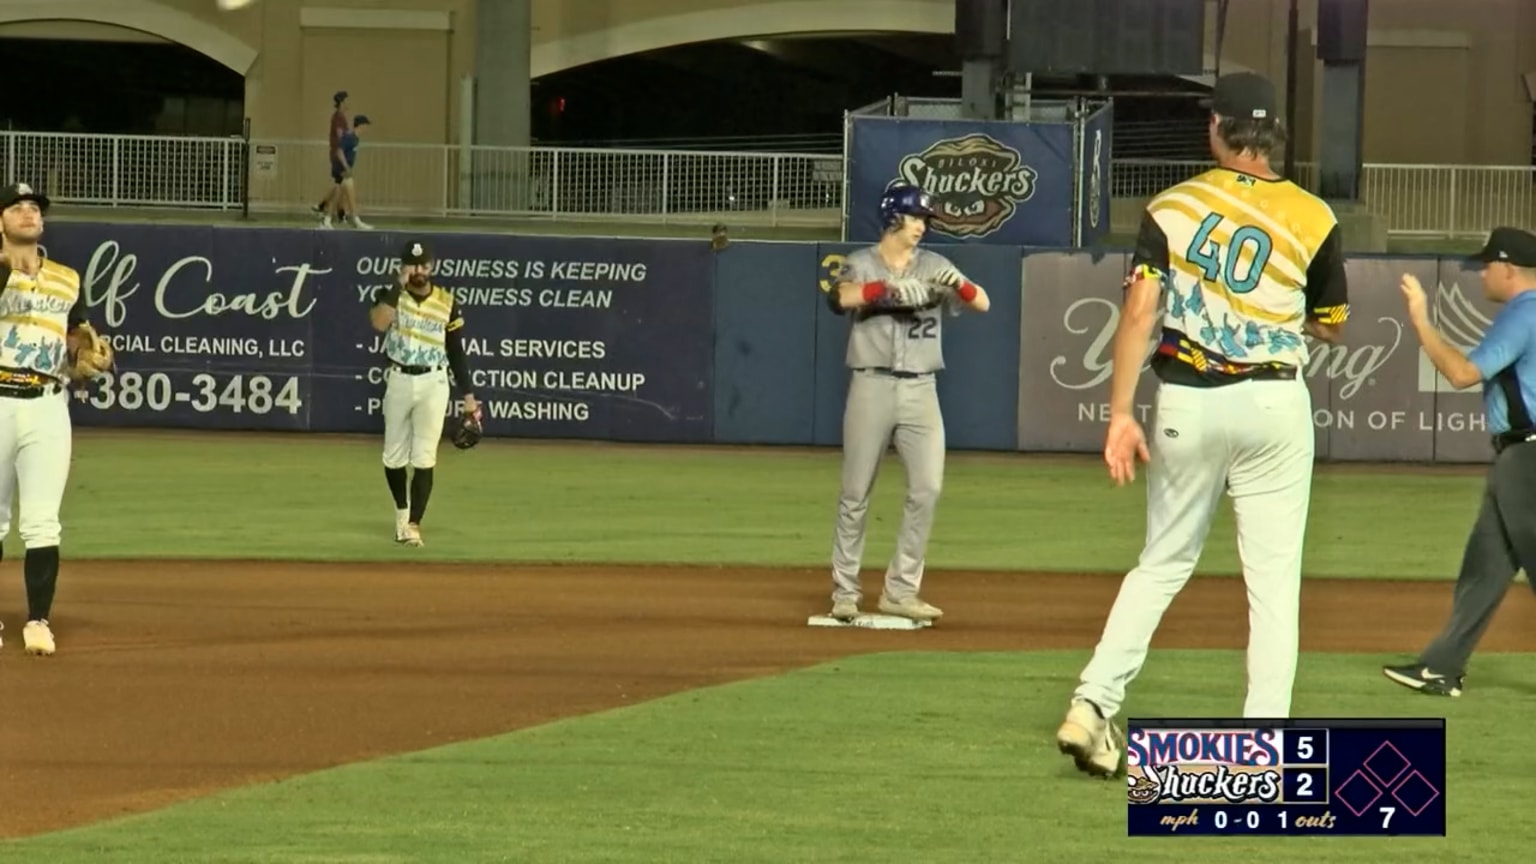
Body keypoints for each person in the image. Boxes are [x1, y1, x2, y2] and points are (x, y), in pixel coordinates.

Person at [1054, 71, 1350, 778]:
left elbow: (1138, 312)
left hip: (1187, 401)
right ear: (1274, 134)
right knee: (1273, 585)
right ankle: (1261, 745)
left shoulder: (1172, 207)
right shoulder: (1314, 216)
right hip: (1273, 404)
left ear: (1217, 128)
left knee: (1161, 564)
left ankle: (1092, 703)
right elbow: (1332, 325)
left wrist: (1119, 413)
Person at [822, 182, 991, 623]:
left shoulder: (935, 264)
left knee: (927, 488)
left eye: (924, 220)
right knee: (856, 492)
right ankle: (845, 591)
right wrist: (885, 291)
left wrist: (961, 285)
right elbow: (838, 298)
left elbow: (983, 303)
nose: (921, 226)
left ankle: (900, 590)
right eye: (915, 217)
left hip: (921, 388)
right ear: (893, 218)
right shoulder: (861, 263)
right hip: (871, 384)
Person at [1382, 227, 1536, 698]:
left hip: (1528, 458)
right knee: (1484, 569)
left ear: (1508, 268)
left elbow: (1462, 373)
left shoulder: (1525, 312)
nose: (1482, 274)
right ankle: (1441, 667)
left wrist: (1421, 320)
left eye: (1488, 266)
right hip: (1517, 457)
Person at [0, 182, 115, 656]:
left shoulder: (67, 278)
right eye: (16, 207)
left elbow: (75, 337)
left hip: (48, 403)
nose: (28, 212)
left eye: (34, 207)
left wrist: (84, 355)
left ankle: (38, 621)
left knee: (43, 522)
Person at [368, 240, 479, 546]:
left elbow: (456, 350)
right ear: (404, 266)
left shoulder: (446, 301)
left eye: (423, 264)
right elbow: (379, 323)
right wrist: (397, 285)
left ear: (432, 266)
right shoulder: (391, 295)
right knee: (393, 456)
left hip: (434, 381)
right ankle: (401, 516)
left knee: (425, 456)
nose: (418, 270)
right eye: (413, 264)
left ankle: (413, 525)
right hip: (400, 377)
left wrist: (468, 396)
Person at [320, 114, 372, 231]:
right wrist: (346, 167)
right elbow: (339, 151)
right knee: (350, 192)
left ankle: (327, 219)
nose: (366, 128)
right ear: (361, 125)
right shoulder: (349, 137)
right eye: (365, 125)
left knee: (338, 194)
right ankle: (356, 220)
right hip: (341, 170)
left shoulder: (356, 138)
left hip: (343, 169)